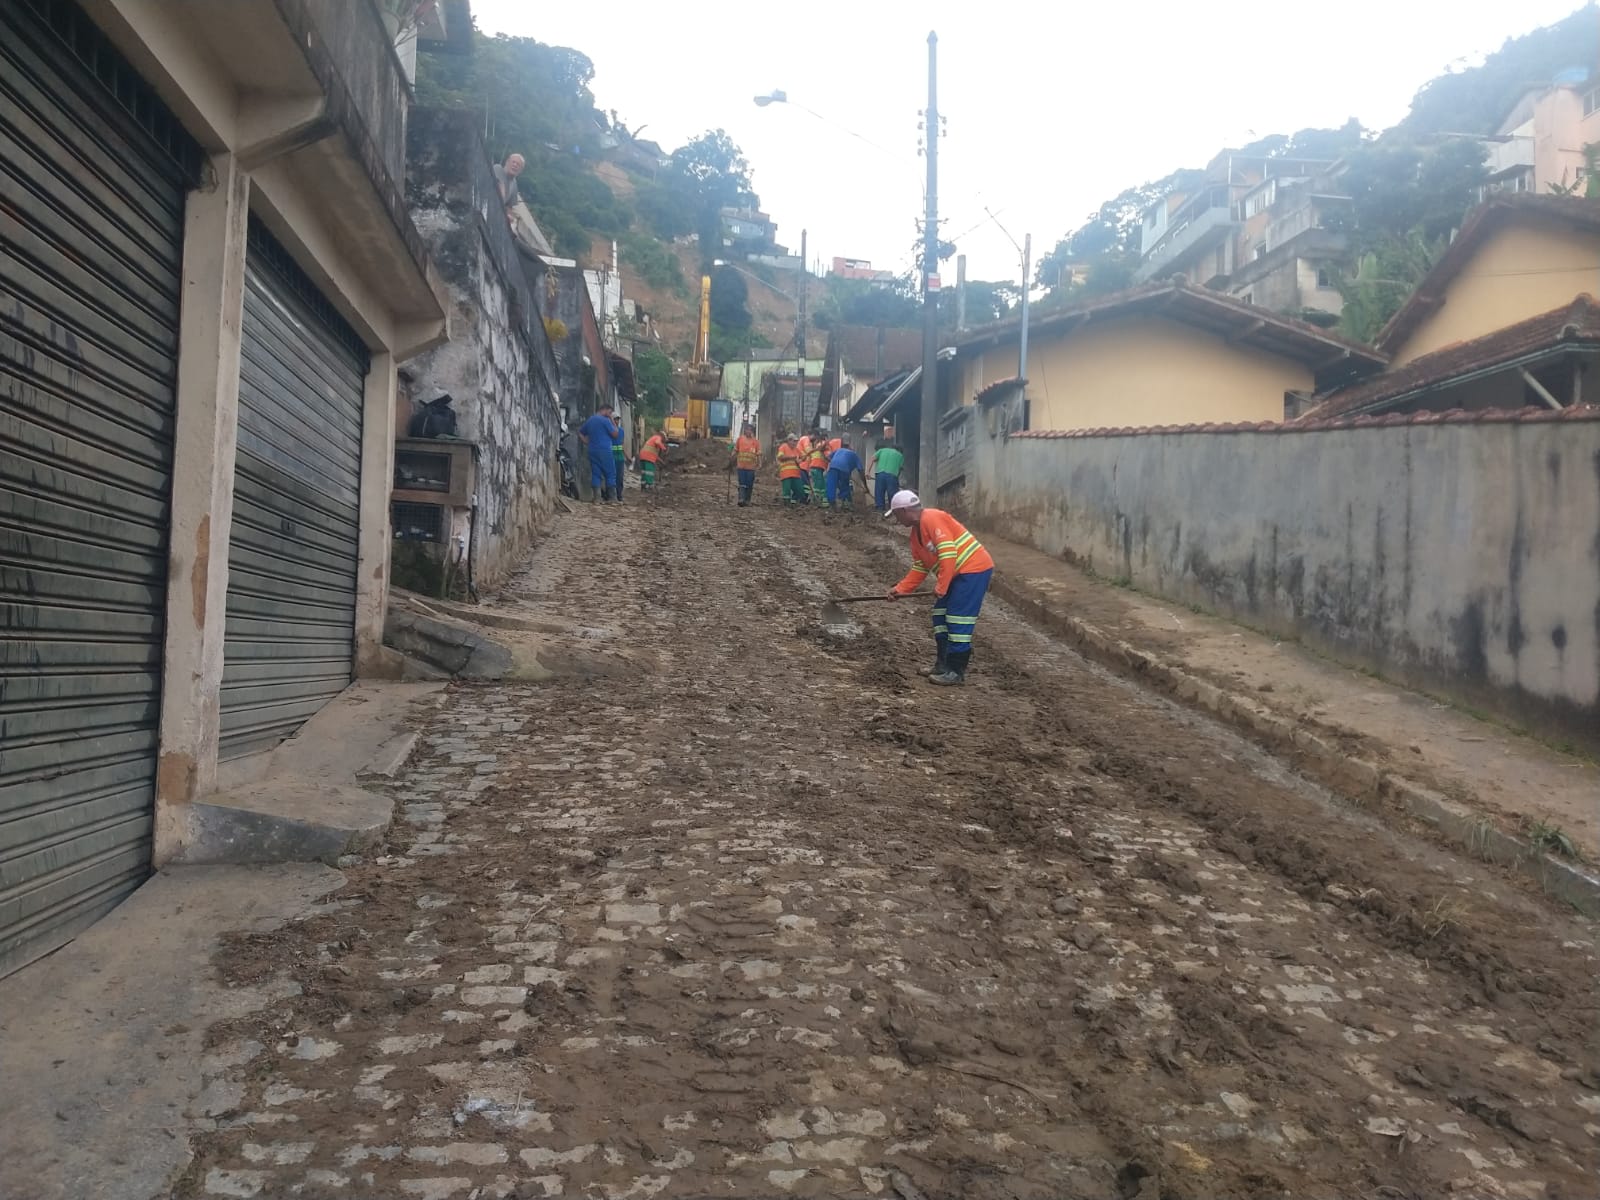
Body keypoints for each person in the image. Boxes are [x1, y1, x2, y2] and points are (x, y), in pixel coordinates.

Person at [884, 490, 995, 685]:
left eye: (896, 514)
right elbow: (920, 566)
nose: (896, 519)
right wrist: (901, 589)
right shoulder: (915, 534)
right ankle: (942, 665)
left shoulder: (932, 518)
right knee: (940, 616)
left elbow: (949, 554)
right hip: (955, 574)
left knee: (957, 618)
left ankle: (955, 671)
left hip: (972, 571)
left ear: (903, 511)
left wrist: (942, 586)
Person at [578, 405, 622, 502]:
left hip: (592, 450)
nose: (610, 415)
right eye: (610, 412)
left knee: (596, 473)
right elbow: (615, 434)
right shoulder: (605, 420)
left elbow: (580, 432)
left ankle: (597, 498)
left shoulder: (590, 420)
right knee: (610, 473)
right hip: (605, 450)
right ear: (605, 410)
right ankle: (612, 497)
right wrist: (612, 421)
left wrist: (586, 441)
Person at [823, 436, 870, 509]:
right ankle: (846, 504)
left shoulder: (838, 450)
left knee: (831, 485)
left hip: (833, 467)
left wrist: (835, 463)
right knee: (844, 487)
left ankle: (832, 503)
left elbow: (827, 458)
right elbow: (861, 472)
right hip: (844, 470)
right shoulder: (854, 455)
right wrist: (866, 486)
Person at [869, 440, 906, 513]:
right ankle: (892, 510)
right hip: (892, 475)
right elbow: (899, 469)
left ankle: (880, 509)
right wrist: (896, 480)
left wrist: (867, 472)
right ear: (900, 450)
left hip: (880, 474)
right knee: (892, 493)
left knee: (879, 492)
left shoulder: (882, 450)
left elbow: (872, 459)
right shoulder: (900, 455)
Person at [730, 422, 761, 506]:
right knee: (742, 483)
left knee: (749, 484)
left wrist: (759, 463)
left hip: (751, 468)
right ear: (745, 431)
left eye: (750, 430)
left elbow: (758, 454)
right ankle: (741, 499)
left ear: (752, 431)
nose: (748, 431)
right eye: (747, 429)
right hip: (741, 466)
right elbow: (736, 450)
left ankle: (747, 500)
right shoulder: (740, 439)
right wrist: (731, 456)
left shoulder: (756, 442)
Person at [775, 433, 806, 504]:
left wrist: (801, 459)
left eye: (796, 441)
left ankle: (797, 501)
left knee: (799, 489)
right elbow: (780, 457)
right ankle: (787, 503)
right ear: (789, 440)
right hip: (786, 473)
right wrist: (792, 457)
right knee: (787, 490)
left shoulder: (797, 449)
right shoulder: (783, 447)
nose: (795, 443)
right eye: (793, 441)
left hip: (796, 474)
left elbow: (803, 456)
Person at [805, 433, 828, 500]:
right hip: (817, 466)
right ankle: (816, 499)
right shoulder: (821, 444)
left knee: (820, 484)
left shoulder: (815, 447)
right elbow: (821, 448)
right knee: (818, 485)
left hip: (816, 467)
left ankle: (819, 499)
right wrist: (826, 442)